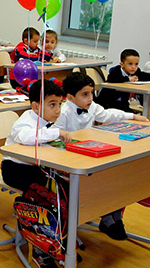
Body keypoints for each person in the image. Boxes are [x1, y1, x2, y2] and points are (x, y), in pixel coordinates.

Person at [55, 72, 148, 240]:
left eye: (91, 93)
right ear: (70, 97)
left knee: (116, 173)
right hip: (70, 160)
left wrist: (133, 116)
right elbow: (55, 138)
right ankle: (107, 218)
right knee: (102, 179)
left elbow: (108, 114)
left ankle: (114, 214)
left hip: (89, 154)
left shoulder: (91, 106)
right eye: (85, 94)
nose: (90, 98)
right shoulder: (63, 113)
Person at [1, 79, 72, 268]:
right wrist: (56, 132)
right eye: (52, 105)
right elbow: (24, 137)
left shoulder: (47, 119)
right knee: (43, 197)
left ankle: (58, 238)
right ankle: (41, 249)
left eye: (60, 104)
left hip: (37, 168)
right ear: (35, 106)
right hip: (15, 169)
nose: (58, 110)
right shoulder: (25, 120)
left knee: (65, 189)